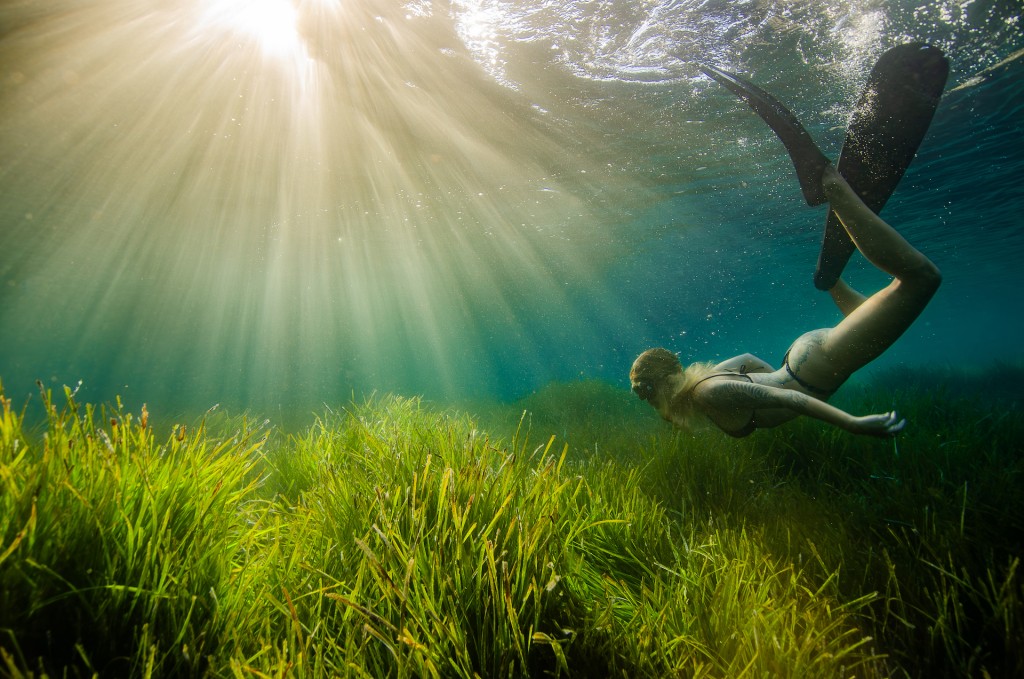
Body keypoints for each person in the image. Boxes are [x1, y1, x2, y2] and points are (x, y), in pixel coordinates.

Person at [630, 65, 942, 438]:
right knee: (872, 318)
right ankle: (828, 280)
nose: (648, 404)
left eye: (647, 397)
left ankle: (829, 184)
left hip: (817, 366)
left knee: (920, 280)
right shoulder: (706, 382)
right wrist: (785, 374)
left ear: (658, 387)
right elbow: (748, 362)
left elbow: (792, 402)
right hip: (807, 363)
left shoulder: (709, 393)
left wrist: (853, 424)